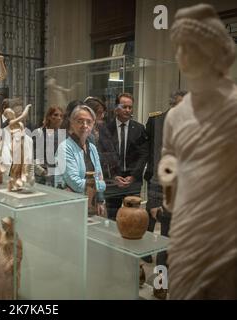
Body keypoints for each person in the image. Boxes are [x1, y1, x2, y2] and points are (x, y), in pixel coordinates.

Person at [160, 4, 237, 299]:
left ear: (211, 51)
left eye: (189, 47)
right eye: (178, 48)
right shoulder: (175, 117)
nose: (181, 55)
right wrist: (169, 172)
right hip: (187, 225)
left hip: (227, 229)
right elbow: (169, 157)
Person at [142, 90, 187, 266]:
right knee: (165, 245)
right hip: (166, 197)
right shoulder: (160, 123)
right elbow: (155, 165)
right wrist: (153, 201)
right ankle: (161, 285)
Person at [101, 93, 148, 220]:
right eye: (124, 107)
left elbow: (143, 155)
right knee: (112, 218)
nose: (128, 110)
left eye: (130, 107)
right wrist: (114, 176)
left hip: (133, 181)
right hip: (113, 181)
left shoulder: (139, 128)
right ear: (116, 108)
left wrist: (133, 176)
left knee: (133, 218)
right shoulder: (106, 129)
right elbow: (103, 156)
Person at [55, 101, 106, 216]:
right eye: (80, 121)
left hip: (91, 205)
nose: (85, 125)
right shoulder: (64, 148)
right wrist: (101, 185)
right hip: (72, 208)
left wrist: (100, 198)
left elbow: (99, 175)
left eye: (89, 122)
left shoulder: (92, 147)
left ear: (93, 125)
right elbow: (76, 184)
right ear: (72, 123)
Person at [33, 106, 64, 186]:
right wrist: (42, 172)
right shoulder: (39, 133)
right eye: (55, 115)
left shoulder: (62, 135)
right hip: (41, 176)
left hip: (57, 176)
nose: (59, 118)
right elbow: (32, 156)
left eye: (61, 116)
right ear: (49, 117)